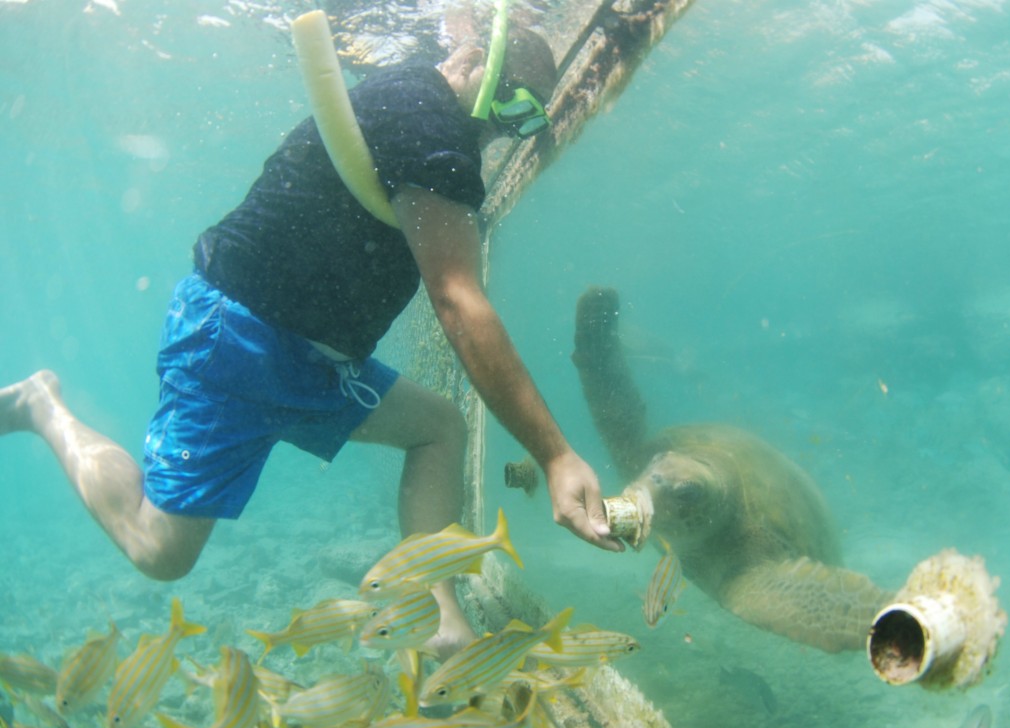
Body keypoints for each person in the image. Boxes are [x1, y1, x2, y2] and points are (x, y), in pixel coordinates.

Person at [0, 25, 620, 657]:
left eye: (529, 123)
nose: (508, 131)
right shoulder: (430, 124)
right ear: (472, 63)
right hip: (235, 342)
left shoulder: (421, 111)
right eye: (515, 108)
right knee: (160, 551)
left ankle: (439, 614)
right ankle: (40, 406)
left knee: (439, 428)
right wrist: (555, 455)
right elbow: (458, 300)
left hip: (319, 362)